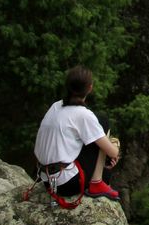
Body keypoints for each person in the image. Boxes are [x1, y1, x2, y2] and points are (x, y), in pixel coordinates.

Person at [34, 65, 120, 201]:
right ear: (90, 88)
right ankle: (97, 182)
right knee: (102, 122)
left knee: (95, 136)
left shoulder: (55, 106)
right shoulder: (83, 115)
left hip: (46, 180)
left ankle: (99, 177)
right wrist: (114, 148)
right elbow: (114, 153)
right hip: (66, 184)